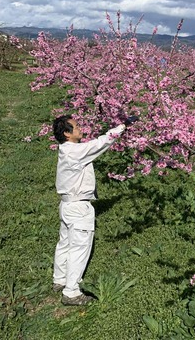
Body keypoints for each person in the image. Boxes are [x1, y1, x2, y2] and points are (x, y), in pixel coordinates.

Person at [51, 114, 137, 306]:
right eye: (76, 126)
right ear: (67, 133)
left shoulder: (66, 150)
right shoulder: (75, 152)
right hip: (79, 207)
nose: (80, 128)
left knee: (65, 243)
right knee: (79, 248)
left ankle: (60, 278)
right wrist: (123, 127)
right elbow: (100, 143)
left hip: (66, 205)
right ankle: (71, 291)